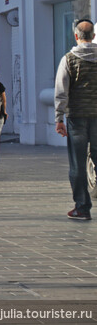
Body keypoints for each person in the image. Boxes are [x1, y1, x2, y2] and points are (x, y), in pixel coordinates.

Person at [54, 18, 97, 221]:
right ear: (94, 36)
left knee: (78, 164)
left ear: (76, 36)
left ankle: (82, 207)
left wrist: (58, 118)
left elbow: (61, 92)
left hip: (77, 118)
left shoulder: (69, 59)